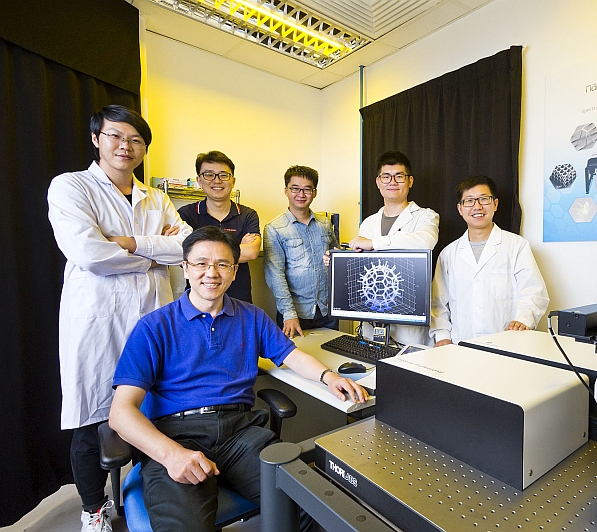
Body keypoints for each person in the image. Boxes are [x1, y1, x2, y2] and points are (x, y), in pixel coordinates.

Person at [109, 226, 367, 532]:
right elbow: (121, 413)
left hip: (241, 433)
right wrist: (171, 455)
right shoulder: (154, 327)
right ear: (185, 268)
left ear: (234, 272)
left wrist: (329, 376)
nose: (211, 273)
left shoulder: (252, 316)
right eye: (201, 263)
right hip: (176, 434)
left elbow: (292, 355)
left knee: (312, 508)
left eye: (222, 264)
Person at [47, 105, 192, 532]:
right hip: (98, 324)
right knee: (92, 422)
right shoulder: (71, 187)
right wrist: (153, 253)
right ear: (97, 139)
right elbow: (89, 253)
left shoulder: (157, 197)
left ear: (144, 148)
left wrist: (127, 242)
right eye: (115, 136)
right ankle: (93, 509)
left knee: (155, 413)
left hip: (153, 322)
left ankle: (151, 494)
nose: (125, 146)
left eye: (135, 140)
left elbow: (186, 247)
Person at [430, 175, 549, 346]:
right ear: (460, 208)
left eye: (484, 199)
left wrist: (523, 320)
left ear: (495, 204)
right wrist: (442, 336)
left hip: (507, 343)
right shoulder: (448, 254)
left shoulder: (517, 246)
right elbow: (438, 303)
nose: (477, 206)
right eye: (469, 201)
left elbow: (534, 292)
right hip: (460, 344)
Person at [348, 150, 439, 346]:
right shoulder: (368, 223)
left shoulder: (425, 216)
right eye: (386, 177)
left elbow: (426, 242)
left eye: (399, 176)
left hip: (408, 324)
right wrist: (338, 260)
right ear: (378, 182)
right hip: (372, 319)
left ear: (410, 181)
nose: (392, 182)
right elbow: (361, 265)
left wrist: (374, 243)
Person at [264, 165, 339, 338]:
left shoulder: (325, 224)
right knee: (296, 354)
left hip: (327, 310)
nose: (301, 194)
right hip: (295, 314)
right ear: (286, 190)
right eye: (295, 188)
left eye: (307, 189)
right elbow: (275, 276)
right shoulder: (275, 229)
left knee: (333, 352)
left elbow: (335, 261)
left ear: (314, 192)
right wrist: (289, 314)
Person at [177, 151, 261, 302]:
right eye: (209, 175)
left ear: (233, 181)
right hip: (198, 301)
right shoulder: (186, 214)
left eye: (223, 175)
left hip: (240, 300)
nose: (217, 180)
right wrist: (238, 248)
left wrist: (201, 257)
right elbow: (181, 254)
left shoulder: (247, 215)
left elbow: (252, 252)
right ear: (199, 180)